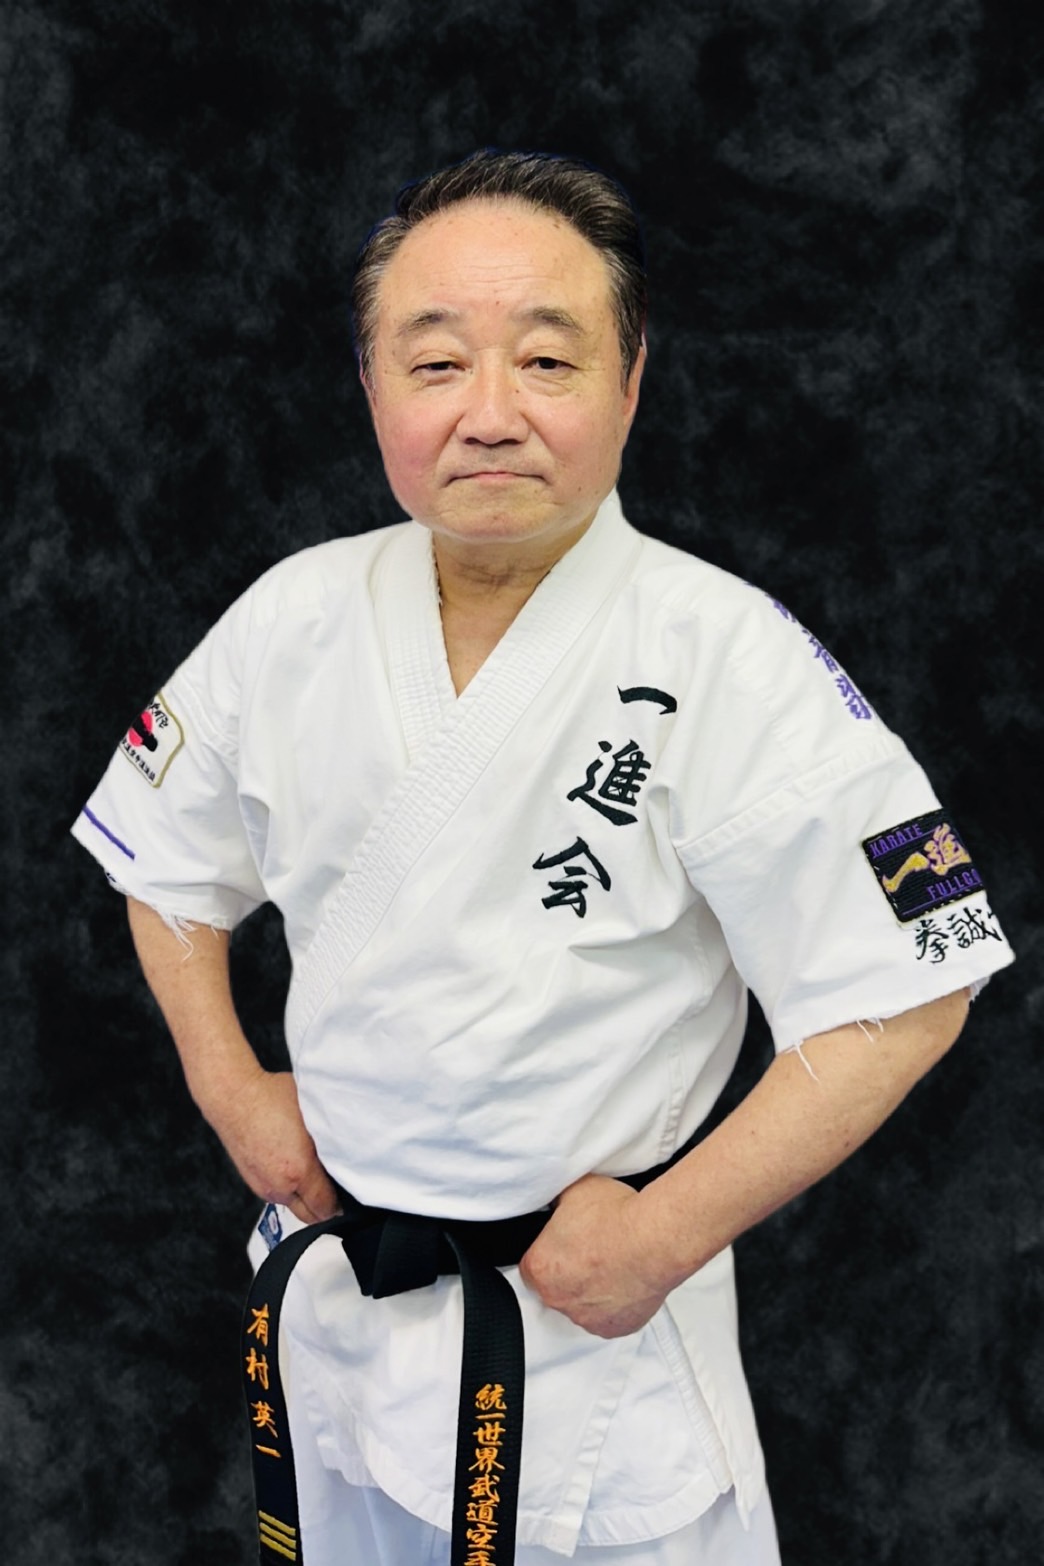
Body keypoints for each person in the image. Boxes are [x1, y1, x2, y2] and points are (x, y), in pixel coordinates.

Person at [71, 149, 1014, 1565]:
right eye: (436, 362)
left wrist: (667, 1233)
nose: (491, 413)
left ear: (631, 382)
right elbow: (163, 861)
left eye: (549, 359)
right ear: (373, 388)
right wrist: (228, 1083)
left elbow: (916, 982)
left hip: (587, 1356)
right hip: (346, 1311)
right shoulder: (292, 617)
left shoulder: (728, 653)